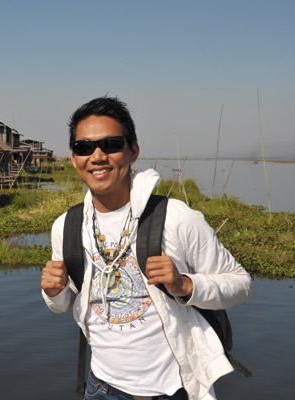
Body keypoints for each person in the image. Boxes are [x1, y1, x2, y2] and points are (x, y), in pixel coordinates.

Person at [41, 96, 251, 400]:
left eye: (111, 144)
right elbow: (64, 304)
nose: (97, 156)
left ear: (133, 151)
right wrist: (53, 292)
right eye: (84, 148)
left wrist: (185, 285)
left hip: (172, 391)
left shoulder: (176, 218)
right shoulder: (66, 225)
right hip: (100, 388)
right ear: (73, 158)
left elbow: (241, 285)